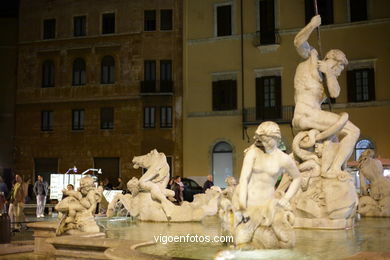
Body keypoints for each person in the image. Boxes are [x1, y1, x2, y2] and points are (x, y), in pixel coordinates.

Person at [292, 14, 360, 178]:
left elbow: (335, 92)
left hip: (313, 116)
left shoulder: (328, 77)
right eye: (340, 68)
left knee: (342, 135)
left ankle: (333, 167)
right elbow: (298, 42)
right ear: (334, 61)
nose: (340, 71)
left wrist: (329, 73)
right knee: (353, 131)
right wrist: (312, 25)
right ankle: (333, 169)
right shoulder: (311, 58)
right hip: (305, 113)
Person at [237, 121, 301, 211]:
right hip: (248, 202)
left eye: (267, 141)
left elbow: (297, 178)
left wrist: (286, 198)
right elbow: (244, 179)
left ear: (276, 138)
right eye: (262, 140)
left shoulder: (283, 158)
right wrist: (242, 205)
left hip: (268, 205)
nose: (265, 144)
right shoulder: (253, 153)